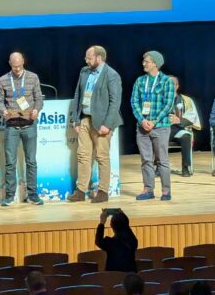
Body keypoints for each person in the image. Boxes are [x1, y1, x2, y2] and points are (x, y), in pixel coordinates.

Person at [68, 46, 123, 203]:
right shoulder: (84, 71)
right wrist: (75, 119)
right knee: (83, 155)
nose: (86, 61)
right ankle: (80, 190)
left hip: (102, 123)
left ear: (99, 58)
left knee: (101, 157)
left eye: (89, 58)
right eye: (86, 58)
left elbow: (115, 102)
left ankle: (103, 191)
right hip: (85, 119)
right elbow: (78, 95)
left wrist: (107, 124)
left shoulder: (112, 75)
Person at [0, 51, 45, 207]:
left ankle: (33, 195)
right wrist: (3, 111)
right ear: (10, 63)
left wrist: (37, 110)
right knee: (10, 163)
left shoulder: (33, 77)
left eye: (19, 65)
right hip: (12, 127)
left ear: (23, 61)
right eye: (14, 66)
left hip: (29, 125)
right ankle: (9, 196)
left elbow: (38, 99)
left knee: (31, 162)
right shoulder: (3, 80)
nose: (16, 69)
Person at [131, 50, 174, 201]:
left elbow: (168, 104)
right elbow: (134, 102)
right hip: (142, 127)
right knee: (146, 159)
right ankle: (148, 189)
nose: (143, 63)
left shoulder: (166, 81)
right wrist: (142, 120)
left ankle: (166, 191)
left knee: (162, 160)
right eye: (144, 61)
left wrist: (154, 121)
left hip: (160, 126)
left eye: (147, 61)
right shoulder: (140, 81)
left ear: (155, 63)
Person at [168, 75, 201, 177]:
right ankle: (158, 167)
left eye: (172, 84)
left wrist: (179, 120)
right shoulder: (158, 100)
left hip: (179, 129)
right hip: (163, 129)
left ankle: (185, 167)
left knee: (186, 137)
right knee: (157, 137)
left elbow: (193, 115)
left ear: (177, 86)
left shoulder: (186, 100)